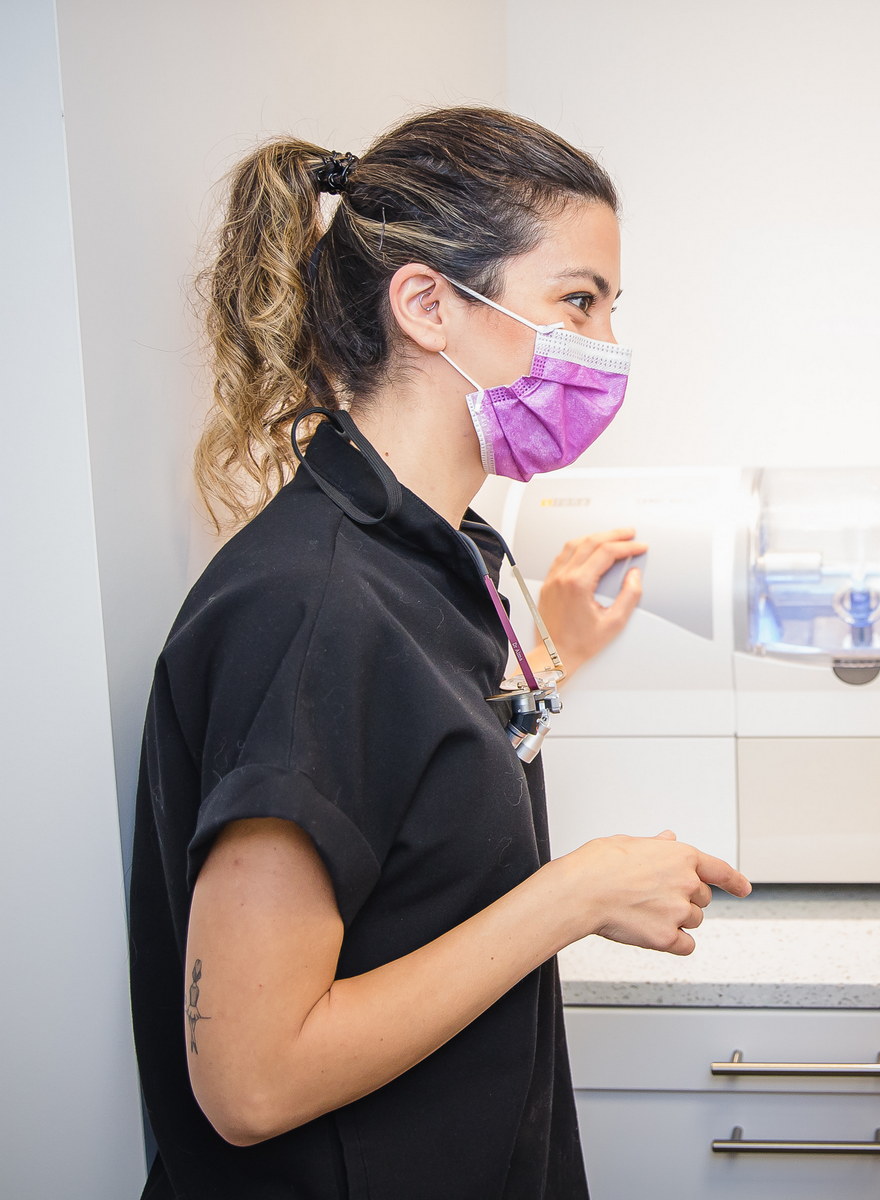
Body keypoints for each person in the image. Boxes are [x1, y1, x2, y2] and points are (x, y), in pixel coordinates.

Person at [128, 106, 750, 1199]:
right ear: (426, 304)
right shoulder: (308, 608)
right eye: (576, 301)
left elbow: (409, 799)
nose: (604, 350)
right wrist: (578, 892)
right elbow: (250, 1079)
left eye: (608, 309)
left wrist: (546, 654)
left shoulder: (434, 556)